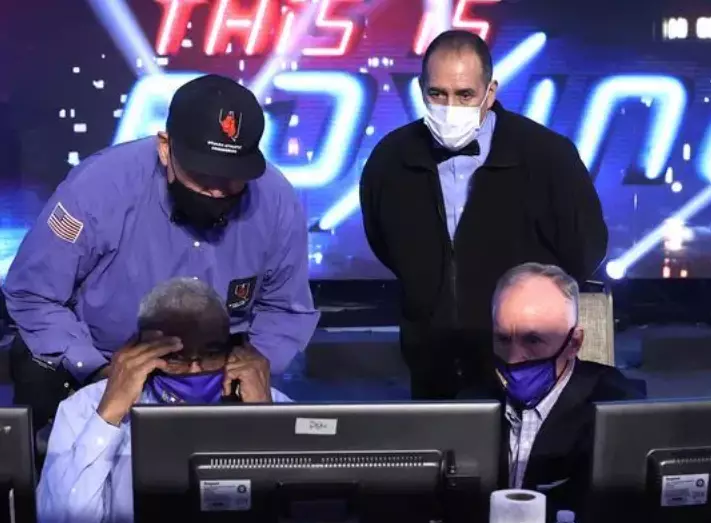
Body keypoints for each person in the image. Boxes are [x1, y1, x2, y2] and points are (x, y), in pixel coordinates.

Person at [3, 74, 319, 432]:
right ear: (166, 148)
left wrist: (254, 365)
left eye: (232, 176)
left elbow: (284, 309)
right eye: (204, 175)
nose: (218, 191)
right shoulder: (97, 189)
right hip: (100, 357)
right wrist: (98, 372)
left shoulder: (275, 199)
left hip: (215, 371)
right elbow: (33, 294)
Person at [359, 30, 608, 399]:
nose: (450, 107)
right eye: (437, 94)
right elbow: (385, 244)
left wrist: (529, 310)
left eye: (465, 95)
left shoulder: (548, 156)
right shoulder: (390, 160)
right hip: (432, 364)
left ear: (489, 93)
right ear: (421, 90)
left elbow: (585, 250)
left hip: (528, 363)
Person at [37, 277, 291, 523]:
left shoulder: (269, 402)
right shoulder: (85, 408)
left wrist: (264, 421)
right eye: (176, 356)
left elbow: (299, 511)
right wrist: (108, 416)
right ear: (140, 350)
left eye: (211, 353)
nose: (194, 370)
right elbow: (58, 518)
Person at [462, 263, 644, 520]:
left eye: (533, 340)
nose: (513, 358)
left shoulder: (616, 406)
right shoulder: (471, 402)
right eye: (503, 339)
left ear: (574, 343)